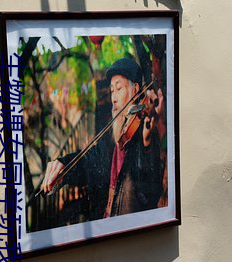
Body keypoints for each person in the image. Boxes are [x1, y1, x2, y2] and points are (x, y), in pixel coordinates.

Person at [41, 58, 165, 220]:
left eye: (119, 89)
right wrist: (64, 167)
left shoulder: (145, 132)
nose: (113, 97)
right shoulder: (112, 135)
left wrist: (146, 143)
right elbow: (89, 161)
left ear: (135, 90)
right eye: (112, 90)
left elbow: (152, 190)